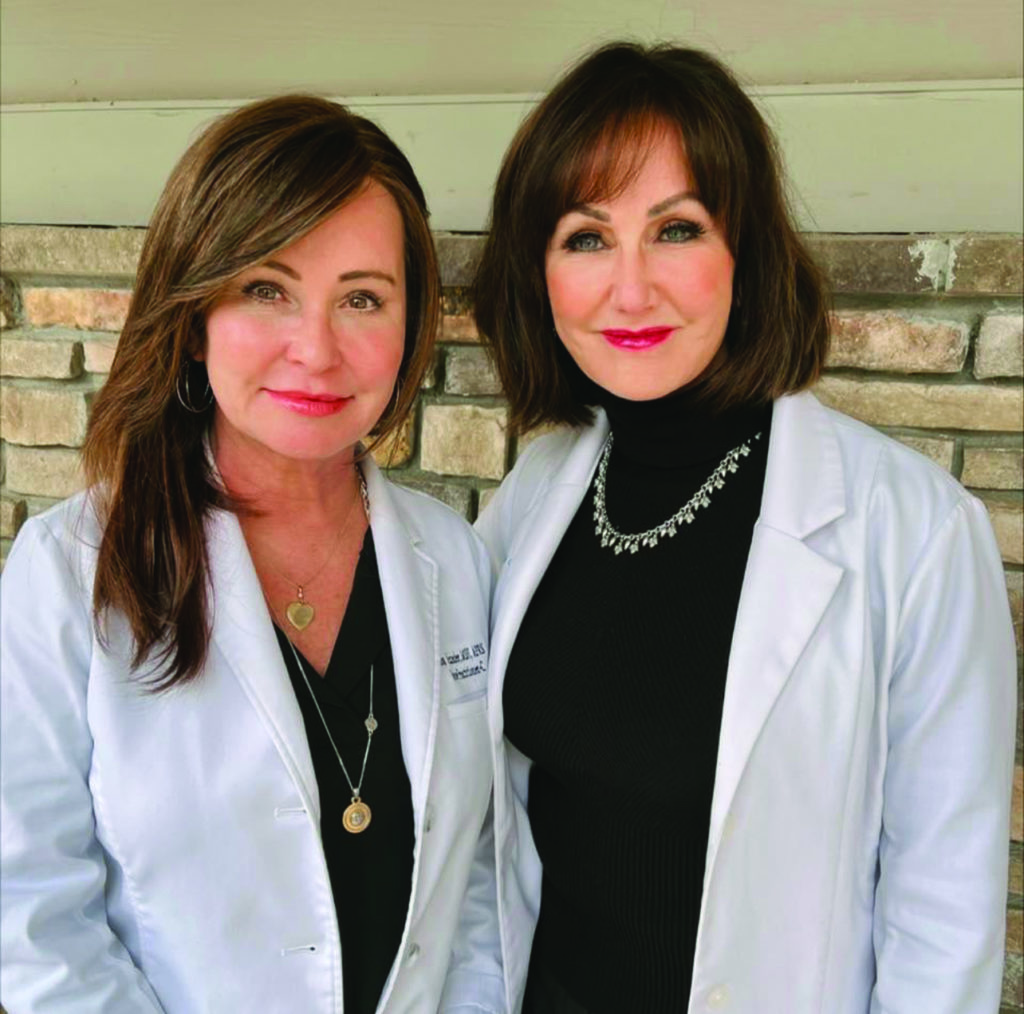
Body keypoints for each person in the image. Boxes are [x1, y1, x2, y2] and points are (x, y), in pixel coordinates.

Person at [472, 43, 1017, 1014]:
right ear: (538, 269)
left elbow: (944, 916)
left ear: (746, 252)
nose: (629, 290)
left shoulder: (916, 533)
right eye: (585, 238)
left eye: (675, 229)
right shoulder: (538, 492)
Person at [0, 95, 503, 1013]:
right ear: (193, 313)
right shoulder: (67, 572)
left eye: (362, 298)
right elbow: (28, 916)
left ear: (409, 325)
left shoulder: (456, 562)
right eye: (266, 290)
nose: (315, 351)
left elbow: (475, 890)